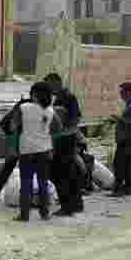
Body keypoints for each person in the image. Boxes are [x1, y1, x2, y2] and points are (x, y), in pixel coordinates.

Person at [15, 81, 59, 222]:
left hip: (26, 150)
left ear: (34, 94)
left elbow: (13, 125)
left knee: (26, 183)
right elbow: (58, 128)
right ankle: (44, 213)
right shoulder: (51, 111)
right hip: (44, 151)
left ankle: (24, 215)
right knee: (43, 182)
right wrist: (45, 133)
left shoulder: (23, 107)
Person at [44, 72, 83, 216]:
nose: (49, 88)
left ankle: (67, 206)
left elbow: (76, 118)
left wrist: (64, 131)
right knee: (69, 173)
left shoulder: (68, 97)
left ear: (57, 82)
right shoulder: (57, 97)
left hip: (65, 140)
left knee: (60, 173)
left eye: (49, 85)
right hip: (60, 139)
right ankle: (76, 204)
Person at [0, 93, 29, 203]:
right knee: (12, 166)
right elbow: (8, 126)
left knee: (9, 167)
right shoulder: (26, 107)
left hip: (19, 141)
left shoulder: (22, 106)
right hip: (19, 141)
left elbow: (2, 127)